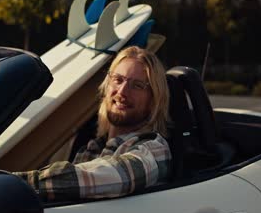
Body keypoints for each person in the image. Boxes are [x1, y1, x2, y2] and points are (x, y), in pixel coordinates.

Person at [14, 46, 171, 202]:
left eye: (137, 85)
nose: (122, 91)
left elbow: (114, 176)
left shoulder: (154, 149)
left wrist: (16, 183)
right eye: (118, 80)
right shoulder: (93, 147)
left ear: (154, 100)